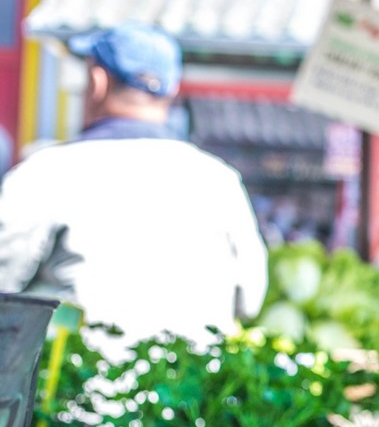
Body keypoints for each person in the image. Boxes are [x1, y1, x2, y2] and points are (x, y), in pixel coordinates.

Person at [0, 24, 267, 351]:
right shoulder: (220, 181)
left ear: (97, 82)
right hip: (192, 393)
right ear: (171, 92)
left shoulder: (45, 173)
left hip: (73, 396)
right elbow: (250, 301)